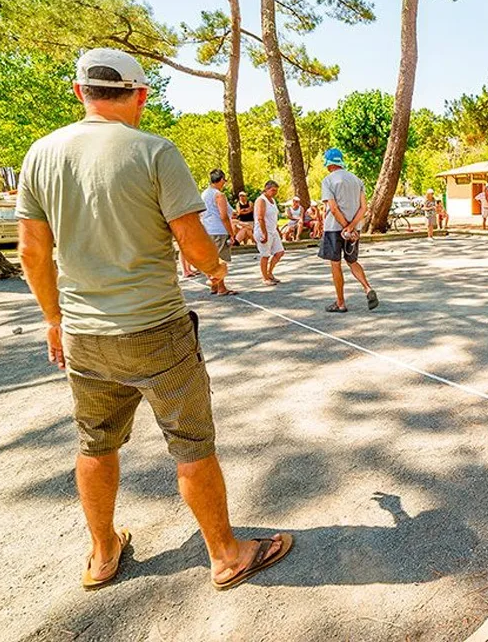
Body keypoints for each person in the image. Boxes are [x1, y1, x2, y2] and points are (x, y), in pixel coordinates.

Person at [15, 48, 291, 592]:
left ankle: (102, 552)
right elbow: (193, 241)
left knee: (95, 444)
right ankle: (226, 554)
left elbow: (31, 253)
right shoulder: (155, 152)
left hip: (85, 333)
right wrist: (216, 268)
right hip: (156, 327)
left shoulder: (41, 155)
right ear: (141, 95)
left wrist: (54, 319)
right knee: (191, 444)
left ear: (80, 93)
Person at [318, 148, 378, 312]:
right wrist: (351, 227)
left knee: (335, 264)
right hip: (354, 229)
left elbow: (333, 208)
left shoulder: (328, 181)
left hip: (334, 229)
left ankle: (340, 303)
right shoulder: (357, 180)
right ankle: (367, 288)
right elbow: (364, 208)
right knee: (352, 261)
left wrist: (344, 226)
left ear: (328, 164)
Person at [199, 169, 238, 296]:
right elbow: (224, 216)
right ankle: (221, 288)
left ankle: (214, 286)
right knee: (221, 260)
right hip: (218, 230)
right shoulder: (219, 195)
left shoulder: (203, 194)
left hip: (207, 230)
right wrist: (231, 233)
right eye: (224, 180)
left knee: (211, 259)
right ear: (221, 179)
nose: (224, 183)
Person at [254, 181, 284, 286]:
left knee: (279, 252)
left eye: (276, 190)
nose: (275, 192)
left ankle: (270, 272)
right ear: (266, 189)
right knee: (265, 255)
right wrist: (264, 233)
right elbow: (260, 217)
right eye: (273, 190)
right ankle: (265, 277)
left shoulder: (273, 200)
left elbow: (274, 217)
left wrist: (278, 231)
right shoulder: (261, 200)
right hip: (263, 230)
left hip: (273, 230)